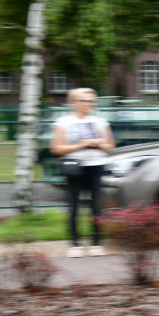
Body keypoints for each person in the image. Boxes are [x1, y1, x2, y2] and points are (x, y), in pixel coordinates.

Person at [51, 87, 116, 257]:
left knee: (96, 206)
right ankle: (75, 244)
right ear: (74, 102)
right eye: (83, 100)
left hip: (97, 165)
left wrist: (100, 143)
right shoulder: (63, 122)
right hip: (75, 166)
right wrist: (81, 144)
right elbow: (56, 148)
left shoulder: (101, 122)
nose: (88, 104)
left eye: (91, 101)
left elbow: (111, 146)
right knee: (73, 207)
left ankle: (96, 243)